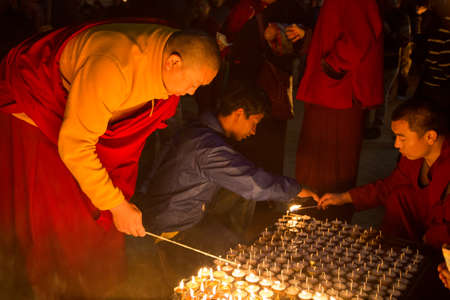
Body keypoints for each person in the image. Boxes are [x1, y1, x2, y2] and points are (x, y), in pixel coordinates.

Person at [0, 20, 220, 298]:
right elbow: (75, 145)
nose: (191, 92)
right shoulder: (113, 66)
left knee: (96, 198)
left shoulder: (165, 51)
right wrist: (116, 205)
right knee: (60, 209)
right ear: (173, 62)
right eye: (193, 83)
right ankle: (55, 283)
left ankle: (92, 278)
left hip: (84, 116)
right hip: (38, 111)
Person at [137, 82, 317, 292]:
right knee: (226, 259)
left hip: (174, 213)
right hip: (172, 227)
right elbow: (253, 184)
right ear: (239, 113)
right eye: (254, 122)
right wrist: (295, 189)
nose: (253, 131)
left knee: (234, 222)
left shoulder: (198, 129)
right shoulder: (207, 147)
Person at [317, 99, 449, 250]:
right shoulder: (413, 157)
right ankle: (395, 250)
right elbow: (389, 186)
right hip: (426, 225)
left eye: (402, 138)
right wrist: (344, 197)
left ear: (430, 137)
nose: (396, 145)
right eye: (395, 137)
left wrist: (432, 239)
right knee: (399, 195)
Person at [295, 0, 384, 201]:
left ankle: (326, 214)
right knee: (320, 159)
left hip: (338, 92)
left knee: (329, 164)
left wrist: (332, 67)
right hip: (330, 91)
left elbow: (359, 38)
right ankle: (316, 210)